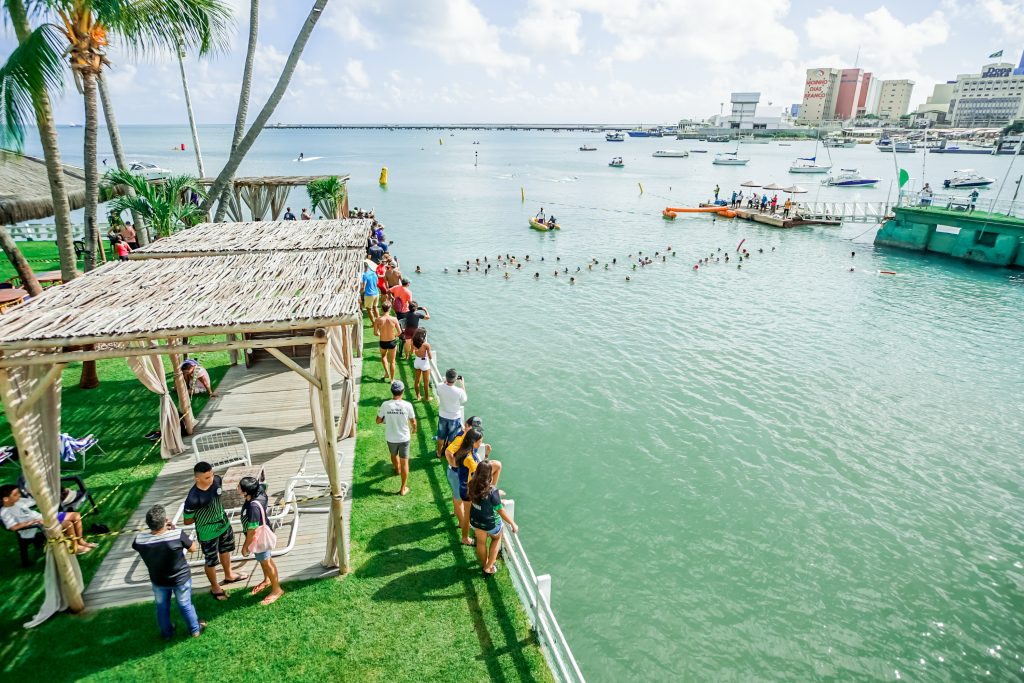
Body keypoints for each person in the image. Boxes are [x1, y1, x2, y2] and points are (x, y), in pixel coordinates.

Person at [132, 504, 206, 639]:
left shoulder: (139, 540)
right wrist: (173, 528)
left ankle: (167, 633)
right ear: (165, 521)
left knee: (162, 607)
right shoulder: (177, 535)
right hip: (180, 579)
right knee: (185, 605)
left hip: (158, 580)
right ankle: (195, 630)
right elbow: (193, 548)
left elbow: (141, 542)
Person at [182, 461, 246, 600]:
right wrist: (203, 514)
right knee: (210, 561)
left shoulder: (217, 480)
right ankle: (215, 586)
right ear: (197, 478)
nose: (211, 479)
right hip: (207, 533)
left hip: (224, 525)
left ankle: (229, 575)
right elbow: (187, 521)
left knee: (225, 550)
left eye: (211, 475)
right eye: (206, 478)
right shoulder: (193, 498)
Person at [1, 483, 96, 555]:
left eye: (18, 493)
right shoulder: (5, 512)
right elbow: (13, 527)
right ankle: (74, 548)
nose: (19, 495)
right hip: (33, 528)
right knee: (67, 524)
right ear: (6, 499)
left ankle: (80, 541)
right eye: (15, 494)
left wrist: (33, 492)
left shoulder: (19, 501)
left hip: (44, 519)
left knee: (75, 515)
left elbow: (34, 502)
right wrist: (32, 522)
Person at [238, 476, 283, 605]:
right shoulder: (260, 491)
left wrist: (245, 546)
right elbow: (265, 485)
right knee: (265, 560)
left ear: (246, 492)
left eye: (239, 487)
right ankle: (267, 580)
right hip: (263, 533)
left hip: (259, 539)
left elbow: (252, 531)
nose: (237, 488)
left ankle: (277, 589)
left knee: (266, 563)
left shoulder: (253, 507)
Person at [468, 460, 517, 575]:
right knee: (496, 539)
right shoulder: (492, 491)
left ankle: (485, 563)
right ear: (489, 475)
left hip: (475, 520)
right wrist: (512, 523)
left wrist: (496, 498)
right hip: (489, 523)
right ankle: (488, 567)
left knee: (481, 542)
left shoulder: (472, 483)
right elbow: (500, 510)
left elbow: (481, 498)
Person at [375, 380, 417, 496]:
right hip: (404, 438)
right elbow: (413, 421)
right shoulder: (408, 405)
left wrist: (385, 419)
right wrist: (414, 429)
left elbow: (378, 421)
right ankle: (403, 488)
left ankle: (397, 469)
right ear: (402, 392)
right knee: (405, 462)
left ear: (392, 391)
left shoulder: (385, 405)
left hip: (391, 438)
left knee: (393, 455)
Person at [435, 368, 467, 458]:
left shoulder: (440, 386)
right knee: (451, 438)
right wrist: (462, 384)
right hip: (454, 417)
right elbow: (464, 399)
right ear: (455, 378)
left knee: (441, 436)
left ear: (446, 377)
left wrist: (446, 381)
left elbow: (440, 390)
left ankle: (438, 453)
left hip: (443, 415)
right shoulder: (459, 391)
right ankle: (448, 454)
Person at [373, 302, 402, 382]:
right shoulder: (394, 319)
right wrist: (394, 335)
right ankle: (392, 380)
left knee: (383, 356)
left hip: (383, 342)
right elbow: (399, 332)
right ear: (390, 309)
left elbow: (375, 333)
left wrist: (380, 333)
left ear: (382, 309)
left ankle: (386, 373)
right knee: (392, 361)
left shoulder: (378, 320)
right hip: (392, 342)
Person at [411, 328, 432, 402]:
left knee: (417, 381)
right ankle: (427, 398)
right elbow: (430, 357)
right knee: (425, 383)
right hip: (424, 363)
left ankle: (418, 396)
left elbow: (412, 351)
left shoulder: (412, 341)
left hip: (417, 362)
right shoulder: (426, 344)